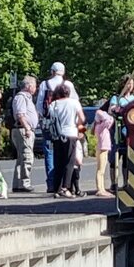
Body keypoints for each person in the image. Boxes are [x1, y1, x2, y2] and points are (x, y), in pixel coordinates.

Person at [46, 84, 84, 198]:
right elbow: (82, 118)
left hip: (57, 136)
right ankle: (65, 188)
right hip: (71, 134)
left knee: (58, 162)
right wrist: (79, 128)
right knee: (69, 162)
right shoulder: (74, 103)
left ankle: (56, 189)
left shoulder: (53, 104)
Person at [36, 62, 66, 192]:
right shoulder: (66, 85)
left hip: (49, 122)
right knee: (64, 151)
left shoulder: (45, 84)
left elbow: (39, 104)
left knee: (49, 151)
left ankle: (51, 183)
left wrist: (42, 118)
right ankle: (63, 182)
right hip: (64, 123)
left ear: (52, 71)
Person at [10, 75, 38, 192]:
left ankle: (18, 183)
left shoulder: (26, 98)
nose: (36, 88)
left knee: (21, 158)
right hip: (23, 129)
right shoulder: (21, 97)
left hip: (24, 129)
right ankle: (24, 183)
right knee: (27, 156)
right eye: (35, 85)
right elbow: (20, 114)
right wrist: (27, 128)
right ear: (29, 86)